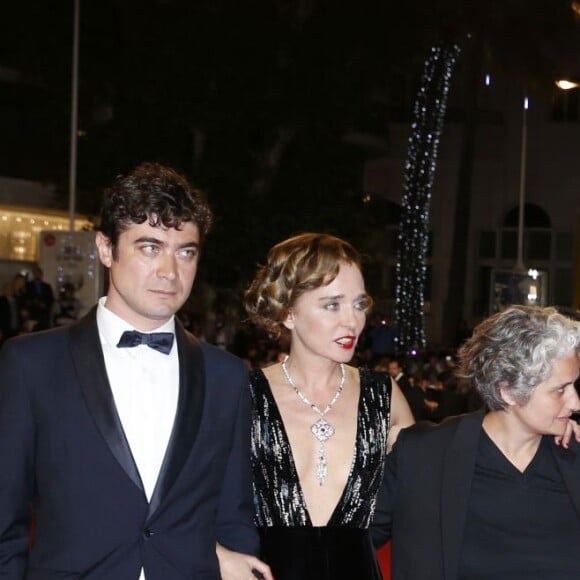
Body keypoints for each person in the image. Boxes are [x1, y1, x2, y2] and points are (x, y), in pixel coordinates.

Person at [0, 162, 270, 580]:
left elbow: (233, 515)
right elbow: (5, 523)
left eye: (186, 252)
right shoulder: (31, 364)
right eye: (149, 247)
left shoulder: (228, 376)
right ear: (106, 249)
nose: (170, 271)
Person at [219, 233, 414, 579]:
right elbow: (188, 500)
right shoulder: (244, 395)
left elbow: (426, 497)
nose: (352, 321)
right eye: (332, 305)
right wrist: (218, 553)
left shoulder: (385, 398)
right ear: (288, 313)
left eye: (359, 304)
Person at [372, 305, 580, 580]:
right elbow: (345, 544)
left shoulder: (572, 455)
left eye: (575, 386)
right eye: (560, 390)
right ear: (507, 391)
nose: (575, 402)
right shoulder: (423, 456)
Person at [23, 265, 55, 330]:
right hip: (32, 314)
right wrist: (33, 302)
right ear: (33, 274)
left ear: (41, 274)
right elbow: (25, 298)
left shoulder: (47, 286)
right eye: (36, 273)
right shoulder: (28, 285)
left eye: (39, 274)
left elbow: (51, 299)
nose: (37, 275)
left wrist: (44, 305)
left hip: (44, 315)